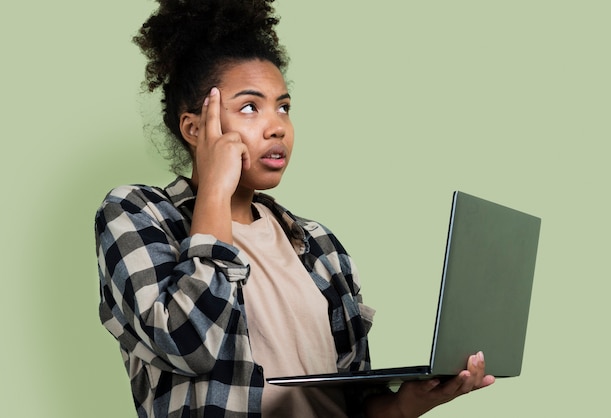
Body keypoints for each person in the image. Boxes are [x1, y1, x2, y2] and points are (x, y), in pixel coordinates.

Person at [94, 0, 495, 417]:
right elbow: (188, 344)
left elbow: (349, 406)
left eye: (283, 107)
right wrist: (215, 188)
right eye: (250, 107)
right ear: (195, 128)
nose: (277, 126)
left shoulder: (321, 248)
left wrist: (405, 405)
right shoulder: (138, 214)